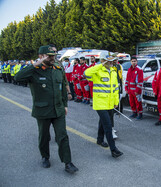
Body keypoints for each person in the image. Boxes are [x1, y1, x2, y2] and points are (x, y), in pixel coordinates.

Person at [14, 45, 78, 174]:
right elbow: (17, 77)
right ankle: (45, 157)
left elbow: (62, 90)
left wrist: (65, 104)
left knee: (62, 136)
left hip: (58, 109)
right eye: (49, 56)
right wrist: (35, 65)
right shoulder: (34, 71)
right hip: (42, 110)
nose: (52, 58)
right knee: (44, 136)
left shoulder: (58, 69)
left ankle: (68, 162)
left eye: (53, 55)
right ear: (41, 56)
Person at [84, 56, 123, 158]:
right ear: (103, 61)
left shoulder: (113, 72)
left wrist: (116, 102)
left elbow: (115, 89)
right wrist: (100, 65)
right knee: (108, 125)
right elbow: (86, 73)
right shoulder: (97, 71)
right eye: (108, 61)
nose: (110, 62)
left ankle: (99, 139)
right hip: (100, 103)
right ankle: (113, 149)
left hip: (110, 103)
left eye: (111, 61)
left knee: (103, 122)